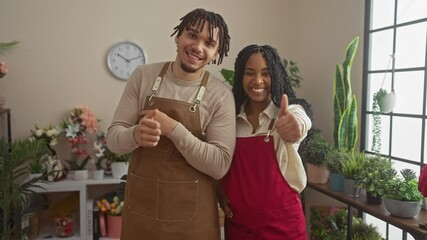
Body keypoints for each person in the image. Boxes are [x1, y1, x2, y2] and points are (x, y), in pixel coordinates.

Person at [106, 8, 235, 240]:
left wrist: (173, 129)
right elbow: (113, 140)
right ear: (178, 36)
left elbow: (219, 164)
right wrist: (135, 135)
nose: (198, 47)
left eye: (209, 43)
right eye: (192, 35)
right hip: (141, 213)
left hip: (194, 222)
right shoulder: (143, 76)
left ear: (216, 53)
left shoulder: (221, 95)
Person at [218, 44, 313, 240]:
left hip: (285, 227)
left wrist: (296, 125)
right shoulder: (228, 119)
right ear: (240, 77)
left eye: (266, 73)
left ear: (276, 76)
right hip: (239, 227)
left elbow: (301, 119)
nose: (258, 81)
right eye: (249, 73)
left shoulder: (286, 114)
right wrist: (218, 191)